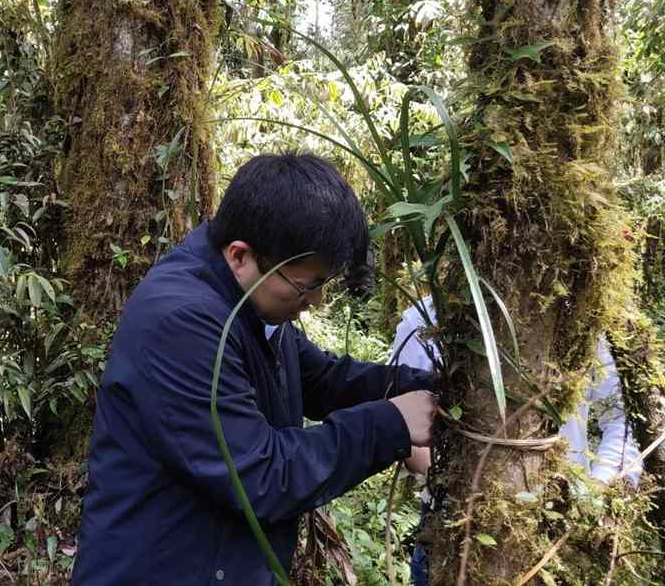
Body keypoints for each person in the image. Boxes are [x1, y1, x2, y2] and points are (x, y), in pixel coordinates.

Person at [71, 153, 438, 585]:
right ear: (240, 255)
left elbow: (322, 379)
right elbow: (261, 476)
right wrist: (390, 425)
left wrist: (433, 387)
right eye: (309, 285)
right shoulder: (180, 320)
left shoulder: (251, 303)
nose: (316, 302)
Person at [390, 297, 642, 586]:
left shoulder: (578, 317)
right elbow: (404, 432)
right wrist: (459, 485)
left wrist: (594, 491)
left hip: (562, 527)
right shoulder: (424, 320)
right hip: (452, 528)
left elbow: (622, 421)